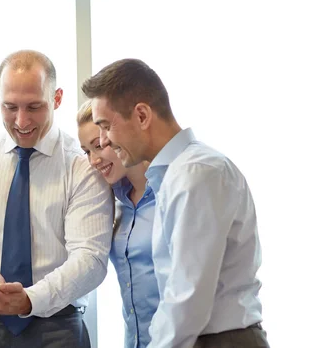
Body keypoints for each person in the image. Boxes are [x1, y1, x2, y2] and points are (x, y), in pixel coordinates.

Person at [0, 50, 113, 348]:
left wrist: (30, 299)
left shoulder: (82, 166)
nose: (21, 120)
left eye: (34, 107)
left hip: (58, 328)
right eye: (10, 106)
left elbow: (90, 257)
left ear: (57, 98)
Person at [82, 58, 269, 348]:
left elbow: (186, 297)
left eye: (106, 127)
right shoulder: (175, 174)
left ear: (142, 115)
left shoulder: (196, 173)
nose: (104, 142)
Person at [77, 100, 158, 348]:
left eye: (99, 146)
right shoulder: (114, 201)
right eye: (86, 151)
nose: (93, 160)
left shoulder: (171, 193)